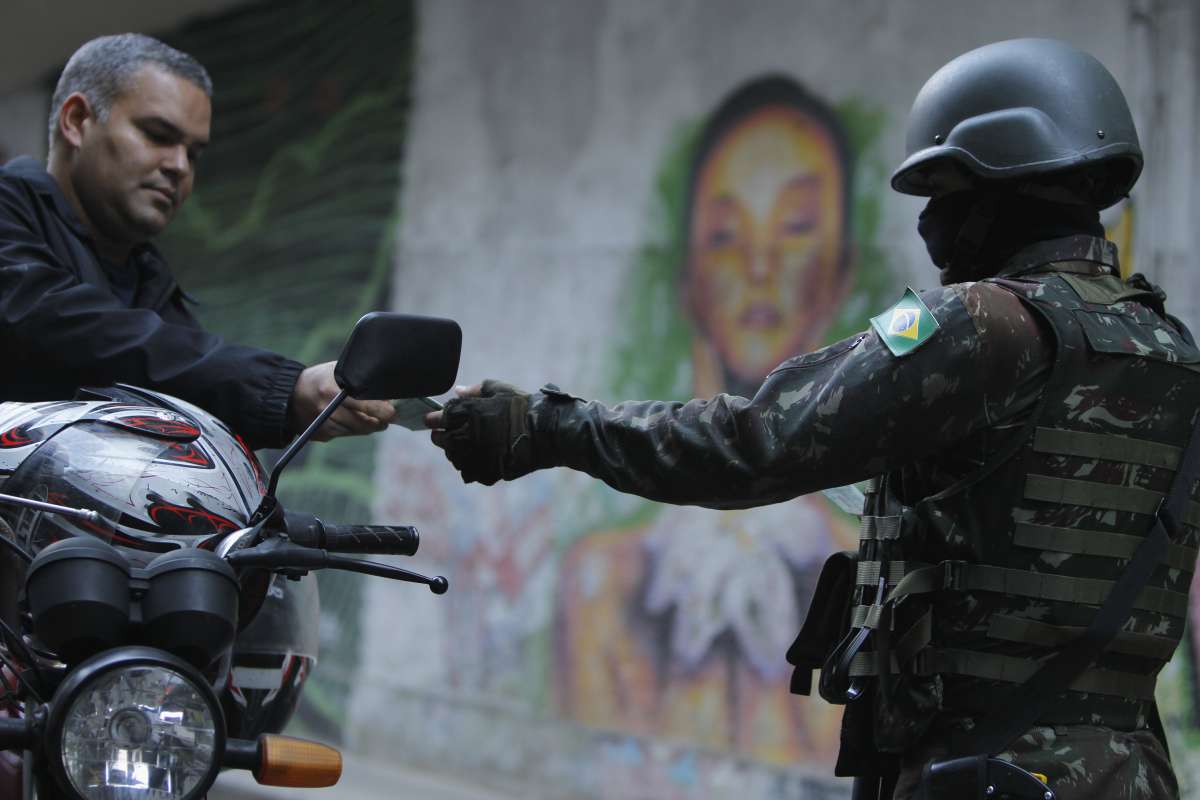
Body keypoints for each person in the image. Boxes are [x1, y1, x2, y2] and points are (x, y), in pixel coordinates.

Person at [428, 38, 1193, 799]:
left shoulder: (975, 326)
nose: (934, 220)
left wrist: (545, 425)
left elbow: (753, 441)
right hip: (1128, 775)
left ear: (998, 185)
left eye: (946, 190)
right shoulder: (1173, 351)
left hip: (982, 775)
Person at [554, 75, 857, 762]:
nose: (760, 264)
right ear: (687, 276)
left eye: (797, 226)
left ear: (840, 272)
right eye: (726, 234)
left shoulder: (859, 580)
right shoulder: (601, 581)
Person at [0, 33, 393, 449]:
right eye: (157, 135)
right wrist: (289, 387)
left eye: (193, 153)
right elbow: (60, 328)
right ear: (77, 120)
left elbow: (193, 390)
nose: (179, 166)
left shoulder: (148, 280)